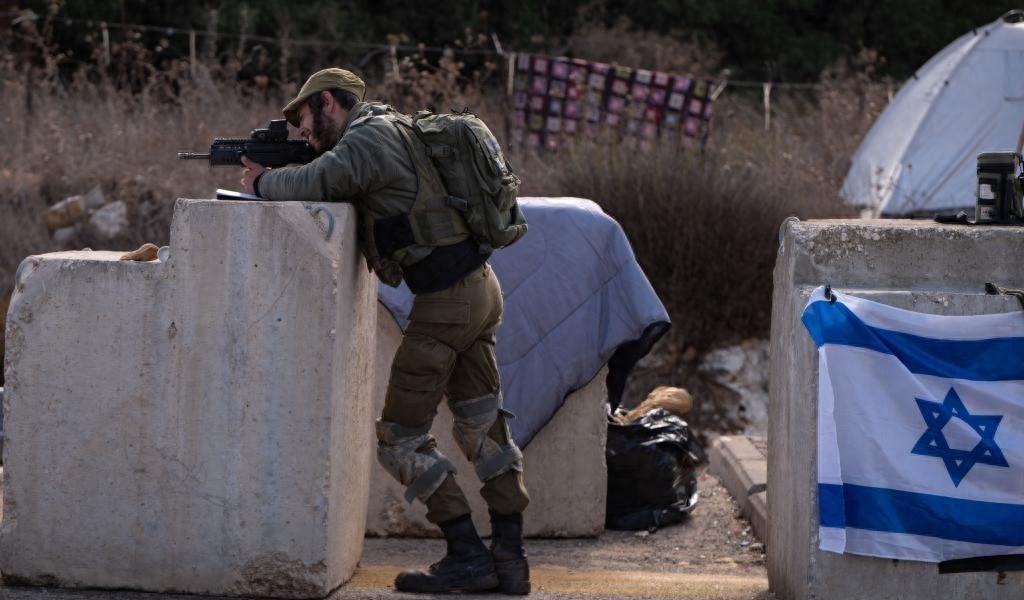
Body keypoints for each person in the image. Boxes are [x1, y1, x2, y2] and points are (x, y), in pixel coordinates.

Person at [240, 67, 531, 595]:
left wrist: (261, 181)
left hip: (447, 301)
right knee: (482, 423)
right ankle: (510, 560)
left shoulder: (367, 138)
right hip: (477, 289)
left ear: (328, 102)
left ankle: (467, 554)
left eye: (302, 119)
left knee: (400, 439)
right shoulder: (390, 127)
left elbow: (315, 181)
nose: (301, 133)